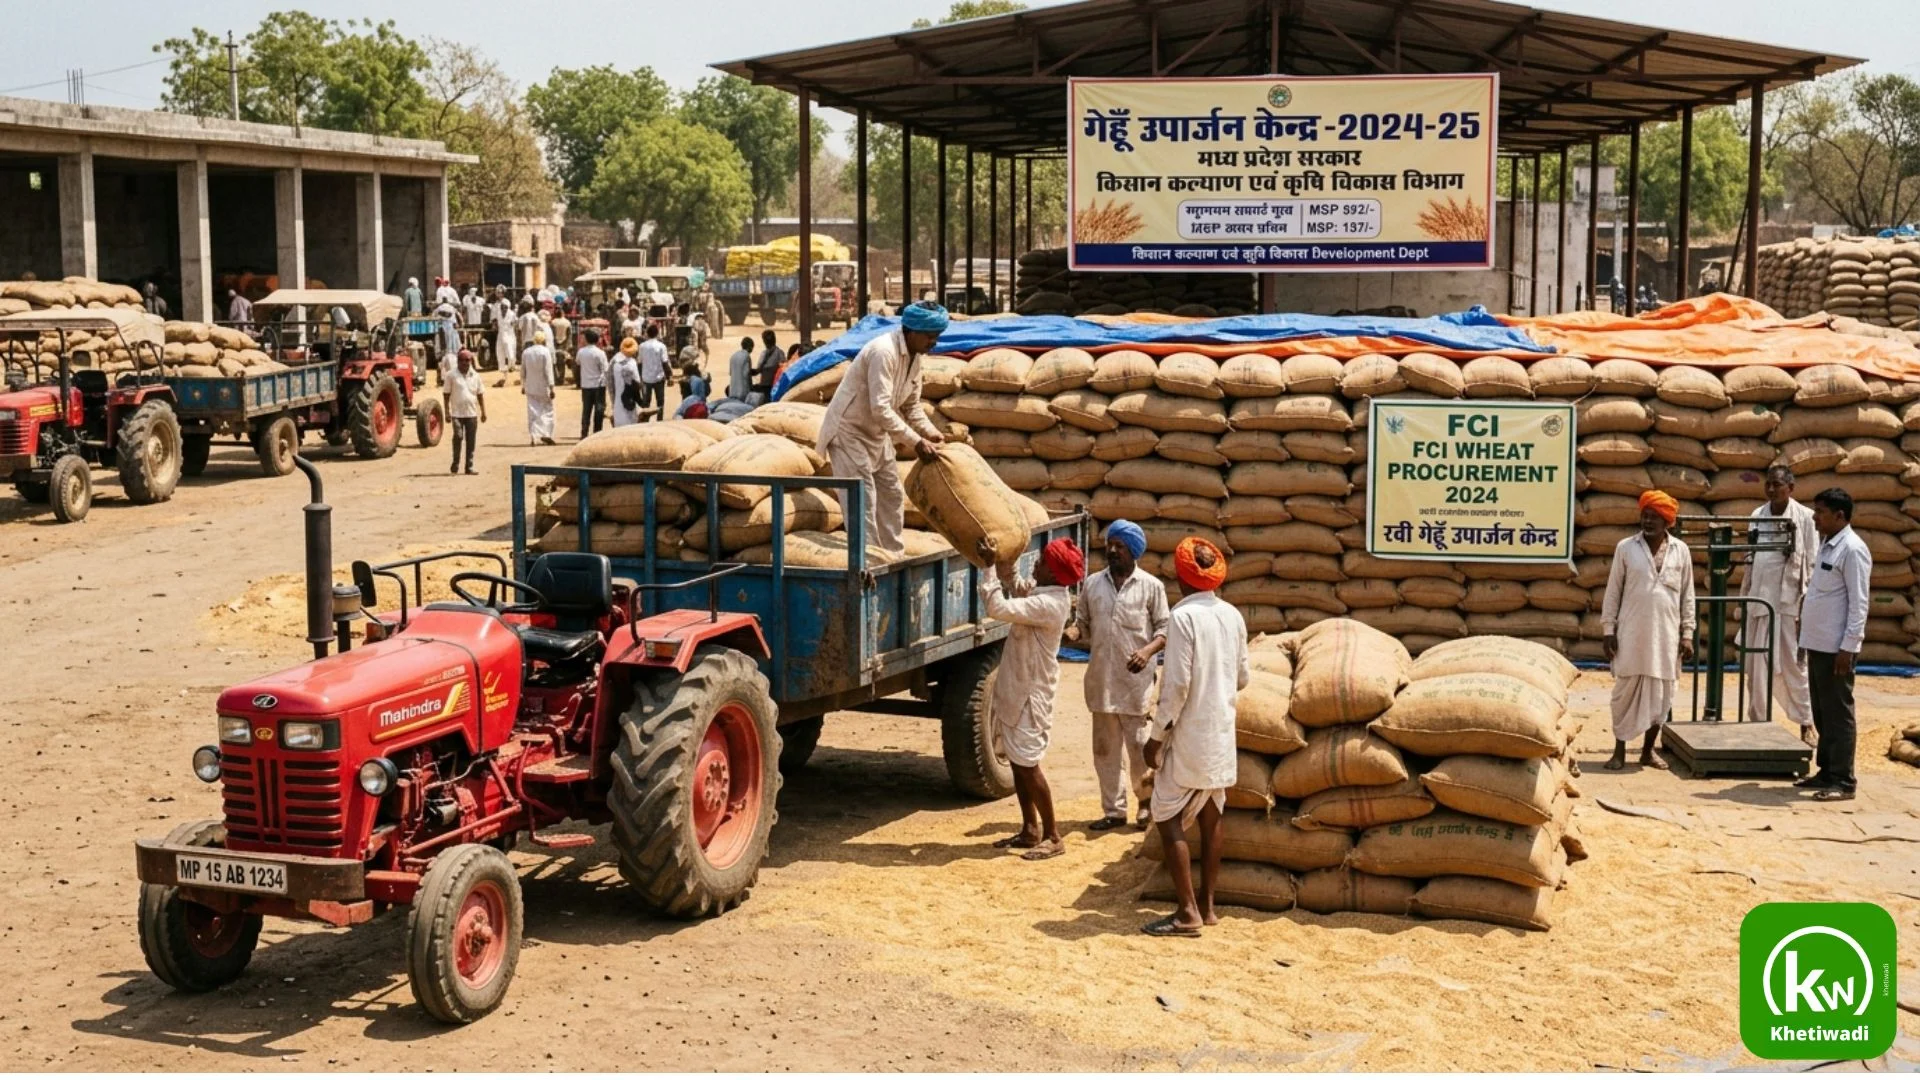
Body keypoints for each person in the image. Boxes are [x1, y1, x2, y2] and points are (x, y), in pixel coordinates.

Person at [1143, 536, 1248, 937]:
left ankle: (1186, 913)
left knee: (1166, 815)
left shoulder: (1182, 619)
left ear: (1180, 578)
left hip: (1190, 734)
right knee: (1211, 811)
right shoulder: (1233, 616)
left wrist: (1155, 737)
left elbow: (1177, 686)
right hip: (1220, 731)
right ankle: (1207, 906)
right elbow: (1242, 677)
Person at [816, 302, 949, 558]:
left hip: (877, 434)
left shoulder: (916, 359)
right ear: (911, 331)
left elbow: (911, 406)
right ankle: (869, 562)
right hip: (849, 432)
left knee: (892, 494)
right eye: (930, 336)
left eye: (937, 336)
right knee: (863, 500)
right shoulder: (883, 352)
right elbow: (881, 409)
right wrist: (916, 442)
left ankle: (893, 557)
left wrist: (930, 433)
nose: (934, 342)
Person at [980, 537, 1082, 862]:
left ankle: (1053, 835)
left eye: (1042, 562)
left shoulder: (1050, 605)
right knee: (1019, 763)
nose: (1036, 564)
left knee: (1028, 765)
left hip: (1030, 695)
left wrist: (987, 569)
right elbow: (1022, 587)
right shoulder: (1045, 593)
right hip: (1019, 689)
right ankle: (1029, 830)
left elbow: (997, 608)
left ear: (1054, 574)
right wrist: (1005, 565)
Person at [1071, 519, 1169, 832]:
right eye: (1109, 544)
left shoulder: (1151, 586)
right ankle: (1113, 811)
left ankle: (1145, 805)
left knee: (1139, 749)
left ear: (1133, 551)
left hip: (1135, 685)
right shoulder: (1092, 584)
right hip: (1101, 682)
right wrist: (1070, 633)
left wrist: (1147, 652)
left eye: (1119, 546)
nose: (1112, 550)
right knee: (1104, 751)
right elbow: (1082, 622)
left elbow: (1165, 629)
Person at [1600, 490, 1696, 771]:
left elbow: (1687, 595)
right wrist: (1609, 629)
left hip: (1666, 635)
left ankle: (1647, 752)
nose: (1648, 521)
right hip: (1631, 633)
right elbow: (1613, 591)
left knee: (1662, 694)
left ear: (1668, 521)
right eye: (1645, 516)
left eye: (1655, 517)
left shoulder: (1681, 550)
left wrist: (1687, 633)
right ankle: (1619, 751)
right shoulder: (1626, 548)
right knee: (1624, 693)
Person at [1798, 488, 1872, 801]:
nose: (1815, 517)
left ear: (1839, 516)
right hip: (1818, 643)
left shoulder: (1853, 550)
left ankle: (1843, 780)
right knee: (1822, 711)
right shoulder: (1828, 545)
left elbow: (1859, 603)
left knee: (1838, 714)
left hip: (1836, 648)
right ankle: (1827, 771)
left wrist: (1849, 647)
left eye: (1820, 512)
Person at [1742, 466, 1818, 742]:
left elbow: (1811, 561)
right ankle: (1758, 724)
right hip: (1760, 603)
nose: (1772, 490)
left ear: (1791, 488)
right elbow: (1750, 558)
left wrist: (1806, 609)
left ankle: (1805, 723)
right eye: (1768, 485)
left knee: (1795, 668)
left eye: (1777, 485)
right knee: (1756, 667)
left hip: (1789, 605)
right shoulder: (1757, 516)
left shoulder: (1807, 519)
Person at [445, 349, 486, 475]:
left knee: (471, 440)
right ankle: (455, 462)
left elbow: (480, 394)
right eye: (462, 360)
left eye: (467, 360)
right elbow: (446, 394)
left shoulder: (476, 376)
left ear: (471, 361)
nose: (464, 363)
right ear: (458, 361)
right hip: (457, 413)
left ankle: (469, 466)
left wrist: (483, 412)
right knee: (458, 437)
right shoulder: (451, 375)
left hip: (471, 413)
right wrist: (447, 411)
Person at [521, 329, 556, 446]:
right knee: (547, 411)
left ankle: (533, 436)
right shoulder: (545, 352)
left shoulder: (526, 352)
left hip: (530, 386)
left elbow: (523, 371)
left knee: (532, 411)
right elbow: (548, 371)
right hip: (543, 387)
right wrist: (552, 388)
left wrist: (523, 385)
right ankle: (546, 434)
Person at [576, 328, 609, 437]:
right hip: (599, 385)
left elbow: (578, 365)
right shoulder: (600, 353)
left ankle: (584, 433)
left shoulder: (581, 352)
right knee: (599, 410)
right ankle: (597, 432)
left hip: (586, 385)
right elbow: (605, 370)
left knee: (586, 410)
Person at [637, 323, 670, 420]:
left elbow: (639, 363)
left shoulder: (642, 346)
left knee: (646, 403)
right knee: (660, 402)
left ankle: (645, 421)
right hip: (659, 378)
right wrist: (669, 376)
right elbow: (665, 362)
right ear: (657, 333)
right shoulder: (661, 346)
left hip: (646, 379)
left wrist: (640, 377)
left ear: (647, 333)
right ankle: (659, 421)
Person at [610, 338, 643, 427]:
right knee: (630, 421)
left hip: (618, 398)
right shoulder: (632, 363)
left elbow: (610, 381)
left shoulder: (614, 361)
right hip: (630, 398)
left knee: (619, 419)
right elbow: (637, 382)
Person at [755, 329, 782, 394]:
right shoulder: (779, 353)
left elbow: (758, 369)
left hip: (769, 385)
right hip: (770, 385)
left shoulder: (765, 354)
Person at [727, 336, 755, 401]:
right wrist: (751, 388)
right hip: (743, 391)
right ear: (750, 347)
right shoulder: (746, 356)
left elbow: (731, 373)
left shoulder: (733, 356)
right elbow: (747, 374)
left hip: (732, 390)